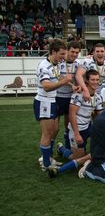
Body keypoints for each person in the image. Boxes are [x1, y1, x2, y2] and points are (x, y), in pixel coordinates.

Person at [48, 70, 104, 178]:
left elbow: (98, 116)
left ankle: (70, 149)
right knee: (78, 160)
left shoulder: (98, 97)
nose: (95, 82)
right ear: (87, 81)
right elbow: (71, 115)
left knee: (97, 151)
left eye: (97, 80)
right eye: (93, 79)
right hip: (77, 129)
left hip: (88, 127)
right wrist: (77, 134)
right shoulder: (79, 94)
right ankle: (62, 149)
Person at [33, 39, 71, 170]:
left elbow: (59, 78)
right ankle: (46, 163)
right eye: (61, 54)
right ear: (53, 52)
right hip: (44, 101)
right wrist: (65, 81)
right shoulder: (44, 66)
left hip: (52, 101)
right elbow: (47, 86)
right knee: (47, 133)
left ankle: (47, 157)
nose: (63, 57)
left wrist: (72, 85)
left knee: (55, 130)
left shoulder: (56, 64)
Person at [56, 41, 82, 148]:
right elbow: (59, 77)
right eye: (72, 52)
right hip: (57, 97)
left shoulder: (78, 64)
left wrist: (79, 86)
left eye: (77, 52)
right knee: (54, 128)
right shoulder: (59, 62)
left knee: (68, 125)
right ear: (67, 50)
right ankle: (49, 152)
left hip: (70, 98)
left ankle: (66, 147)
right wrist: (71, 84)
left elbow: (79, 78)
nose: (74, 54)